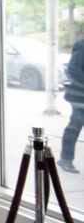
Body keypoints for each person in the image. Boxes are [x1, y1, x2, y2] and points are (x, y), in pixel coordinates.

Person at [58, 38, 84, 174]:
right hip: (80, 96)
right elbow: (73, 68)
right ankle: (66, 159)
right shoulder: (81, 45)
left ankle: (65, 159)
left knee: (74, 126)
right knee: (74, 126)